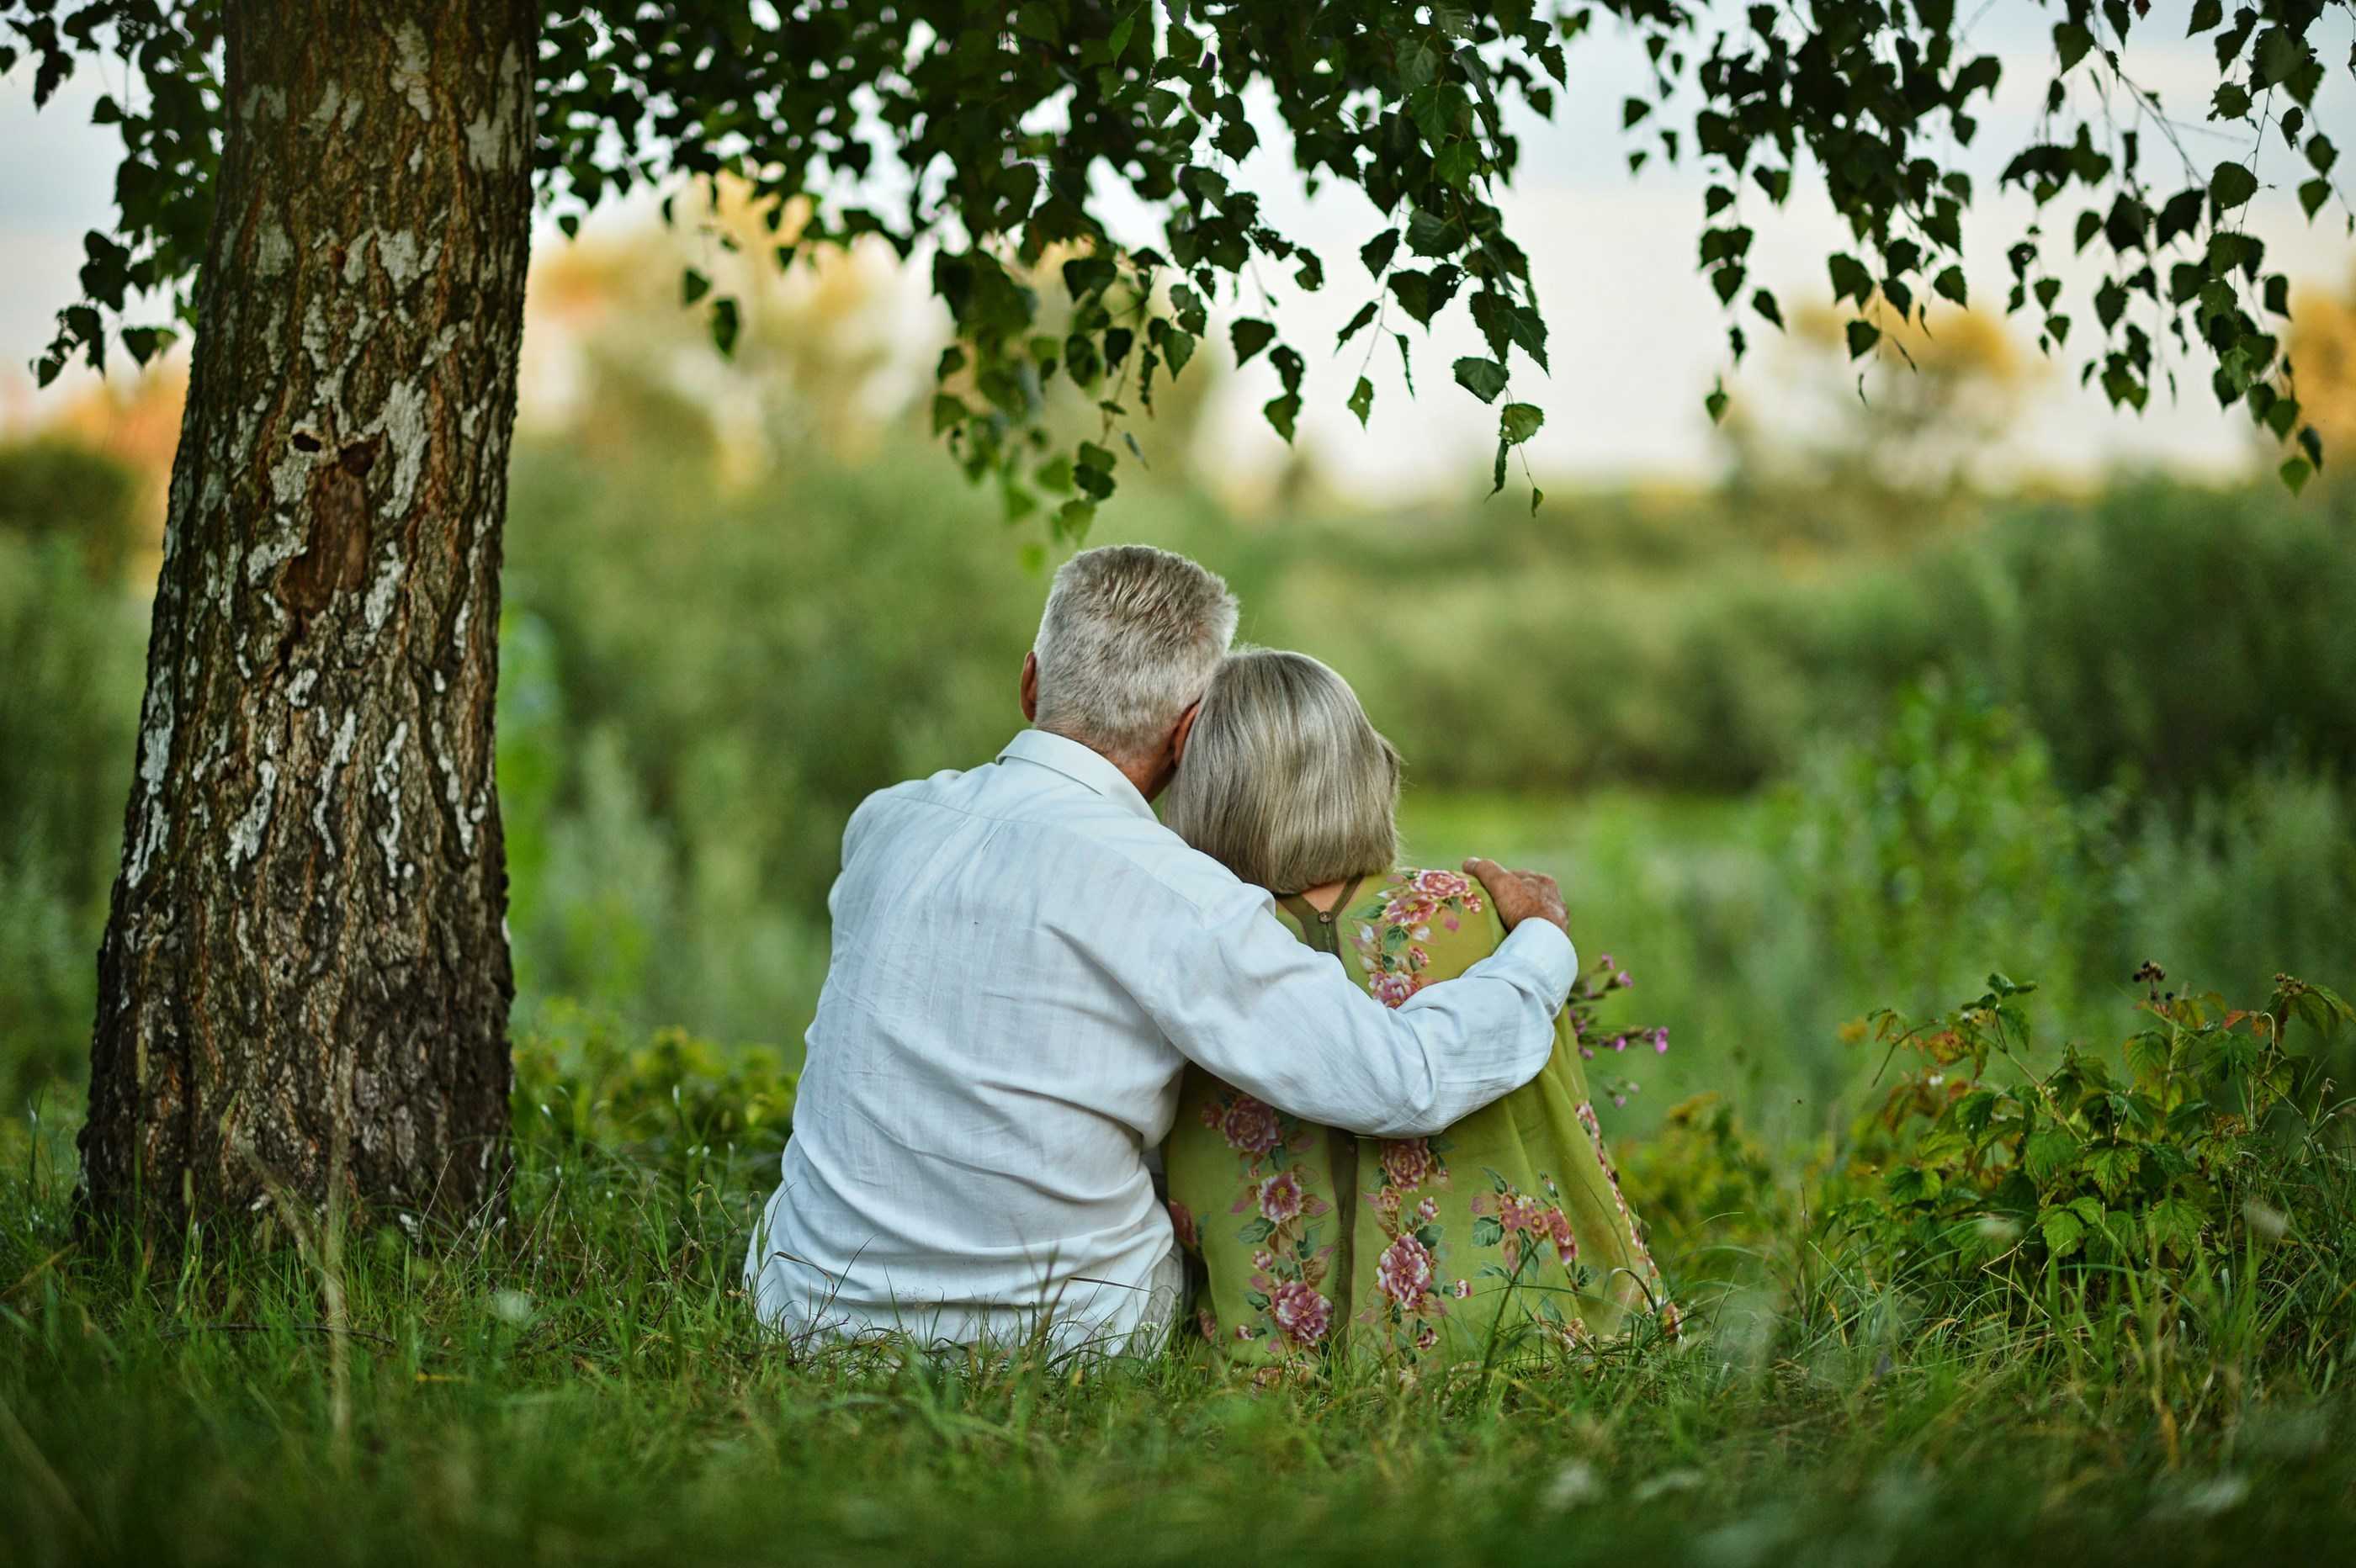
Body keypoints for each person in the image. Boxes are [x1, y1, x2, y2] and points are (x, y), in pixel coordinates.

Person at [743, 545, 1579, 1355]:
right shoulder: (1179, 897)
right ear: (1187, 737)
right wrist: (1538, 941)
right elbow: (1402, 1079)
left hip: (806, 1308)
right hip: (1062, 1339)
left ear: (1030, 681)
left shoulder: (886, 822)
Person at [1159, 649, 1676, 1375]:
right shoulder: (1468, 914)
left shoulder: (1195, 940)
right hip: (1486, 1345)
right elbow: (1562, 1127)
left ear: (1209, 789)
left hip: (1259, 1359)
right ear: (1366, 768)